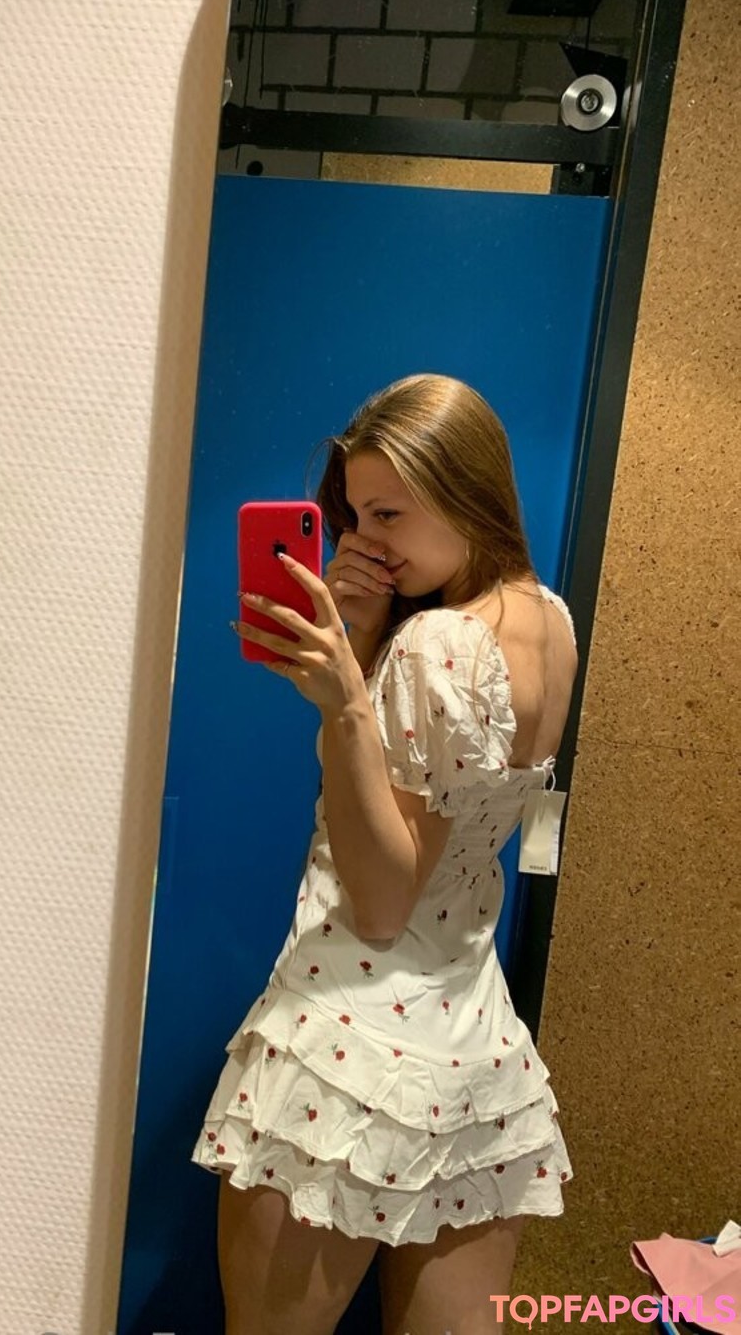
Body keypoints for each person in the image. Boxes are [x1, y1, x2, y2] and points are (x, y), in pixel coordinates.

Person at [191, 373, 579, 1335]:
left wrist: (346, 704)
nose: (366, 540)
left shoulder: (435, 644)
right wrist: (366, 650)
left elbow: (380, 903)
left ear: (464, 487)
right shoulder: (550, 620)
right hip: (474, 1052)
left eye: (389, 512)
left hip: (345, 1054)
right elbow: (444, 814)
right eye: (357, 514)